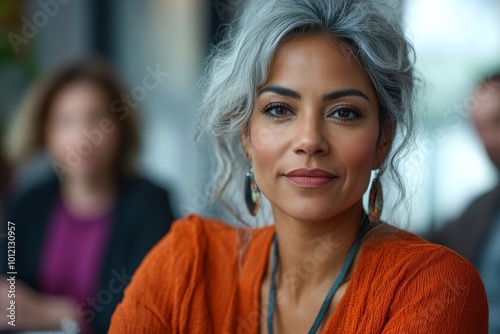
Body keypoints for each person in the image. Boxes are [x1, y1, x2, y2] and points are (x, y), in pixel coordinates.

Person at [110, 0, 488, 333]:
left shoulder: (434, 288)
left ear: (382, 141)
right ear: (246, 134)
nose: (309, 140)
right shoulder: (186, 264)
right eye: (279, 109)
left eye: (344, 113)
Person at [0, 59, 175, 333]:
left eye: (97, 119)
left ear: (120, 128)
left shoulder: (150, 205)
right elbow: (7, 297)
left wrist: (62, 316)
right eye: (65, 121)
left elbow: (147, 312)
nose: (82, 137)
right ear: (45, 132)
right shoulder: (28, 203)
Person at [428, 72, 500, 333]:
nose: (489, 140)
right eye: (480, 129)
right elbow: (429, 240)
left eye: (498, 121)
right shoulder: (482, 207)